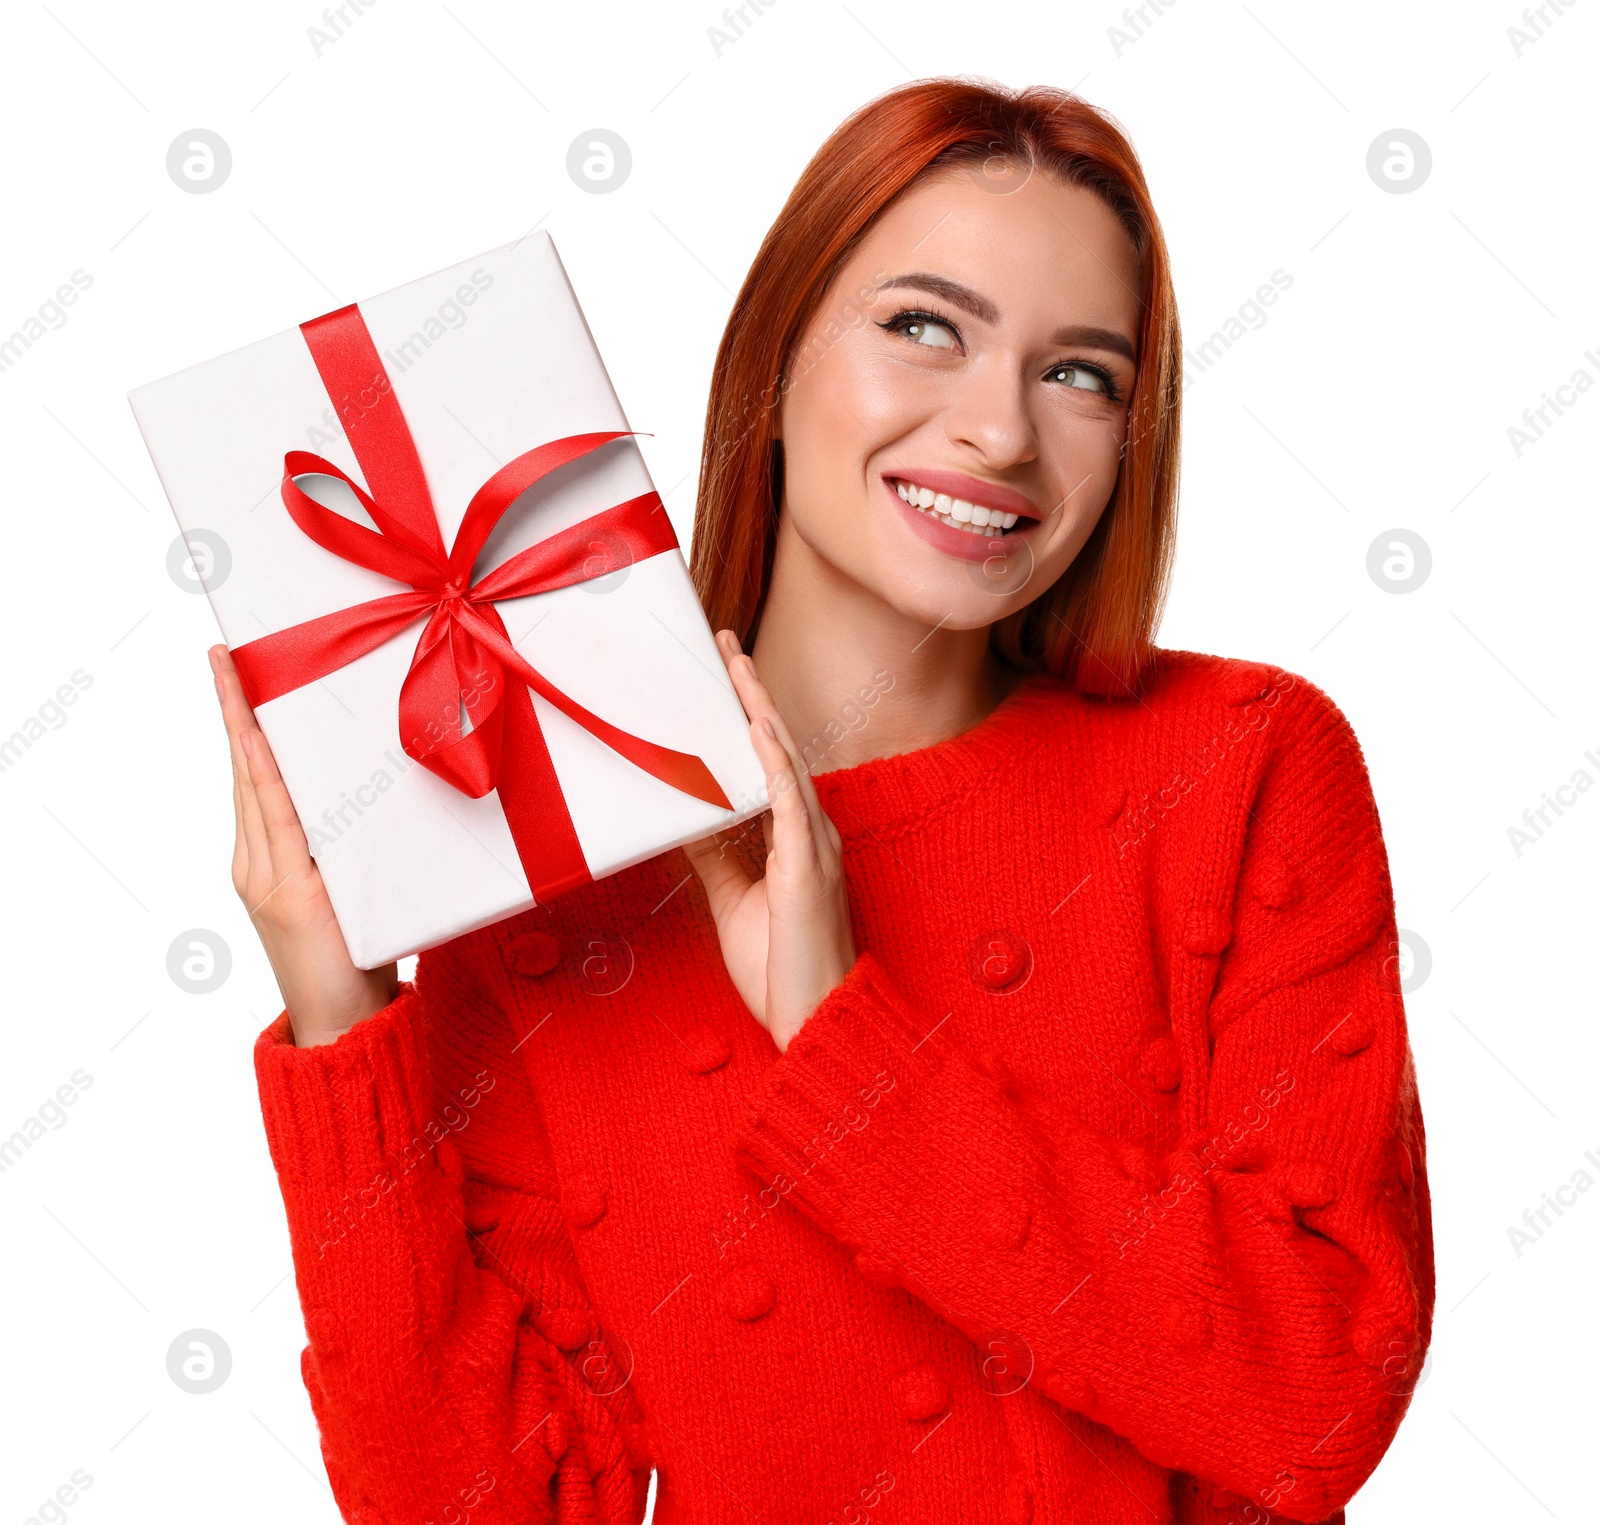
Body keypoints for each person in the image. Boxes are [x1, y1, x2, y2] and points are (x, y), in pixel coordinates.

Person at [212, 77, 1434, 1525]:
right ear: (778, 352)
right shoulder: (567, 865)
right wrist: (344, 1021)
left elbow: (1320, 1395)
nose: (999, 431)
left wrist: (840, 1037)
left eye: (1083, 373)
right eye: (926, 325)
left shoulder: (1241, 765)